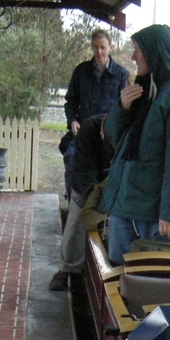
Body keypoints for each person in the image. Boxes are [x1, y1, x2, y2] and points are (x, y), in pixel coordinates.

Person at [102, 24, 170, 265]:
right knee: (120, 292)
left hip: (156, 218)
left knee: (159, 290)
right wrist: (122, 108)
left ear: (155, 52)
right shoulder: (147, 93)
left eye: (138, 50)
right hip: (126, 209)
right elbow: (114, 141)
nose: (133, 57)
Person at [48, 113, 117, 291]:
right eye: (104, 135)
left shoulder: (126, 131)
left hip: (112, 182)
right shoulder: (88, 129)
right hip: (83, 180)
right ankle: (66, 269)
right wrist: (92, 201)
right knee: (75, 224)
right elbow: (84, 168)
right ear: (102, 129)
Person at [62, 30, 129, 200]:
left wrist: (109, 127)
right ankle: (75, 202)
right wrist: (73, 121)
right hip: (82, 134)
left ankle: (103, 208)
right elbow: (70, 102)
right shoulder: (81, 72)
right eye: (95, 47)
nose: (99, 52)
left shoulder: (121, 75)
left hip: (108, 137)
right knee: (72, 161)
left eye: (103, 48)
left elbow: (125, 109)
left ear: (110, 48)